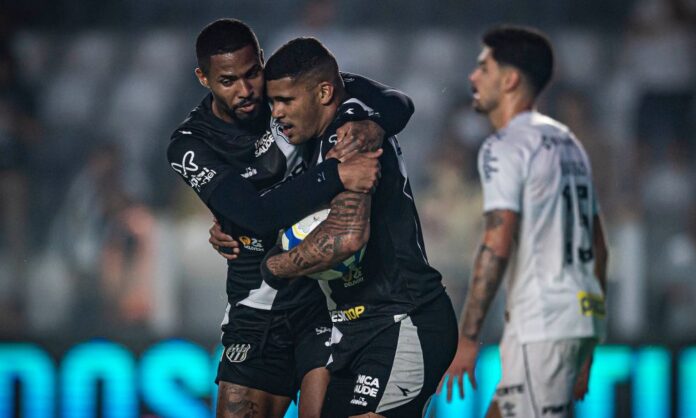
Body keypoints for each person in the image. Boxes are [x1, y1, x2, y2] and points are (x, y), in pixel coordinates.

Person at [167, 19, 414, 418]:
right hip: (256, 302)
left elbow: (398, 103)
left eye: (252, 73)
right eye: (228, 81)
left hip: (327, 297)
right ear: (203, 78)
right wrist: (335, 174)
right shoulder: (190, 145)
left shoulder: (285, 92)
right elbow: (254, 214)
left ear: (262, 61)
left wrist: (369, 123)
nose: (246, 90)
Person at [256, 37, 458, 418]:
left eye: (285, 101)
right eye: (272, 102)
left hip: (403, 318)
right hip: (353, 327)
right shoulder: (325, 132)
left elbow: (346, 237)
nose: (277, 113)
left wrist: (274, 266)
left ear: (324, 93)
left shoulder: (348, 137)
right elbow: (397, 101)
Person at [438, 26, 609, 417]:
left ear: (510, 80)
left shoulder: (505, 147)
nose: (473, 77)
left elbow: (496, 243)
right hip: (568, 318)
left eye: (484, 68)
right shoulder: (568, 142)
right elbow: (598, 247)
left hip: (542, 322)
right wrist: (588, 337)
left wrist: (468, 338)